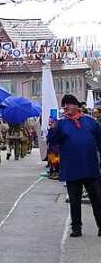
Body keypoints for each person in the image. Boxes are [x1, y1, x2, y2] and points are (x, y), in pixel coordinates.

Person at [46, 94, 101, 237]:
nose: (66, 107)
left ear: (77, 106)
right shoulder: (61, 124)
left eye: (69, 104)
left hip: (91, 167)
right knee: (74, 201)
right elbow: (52, 142)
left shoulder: (91, 122)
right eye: (64, 105)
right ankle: (76, 228)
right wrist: (52, 129)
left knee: (97, 199)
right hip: (72, 169)